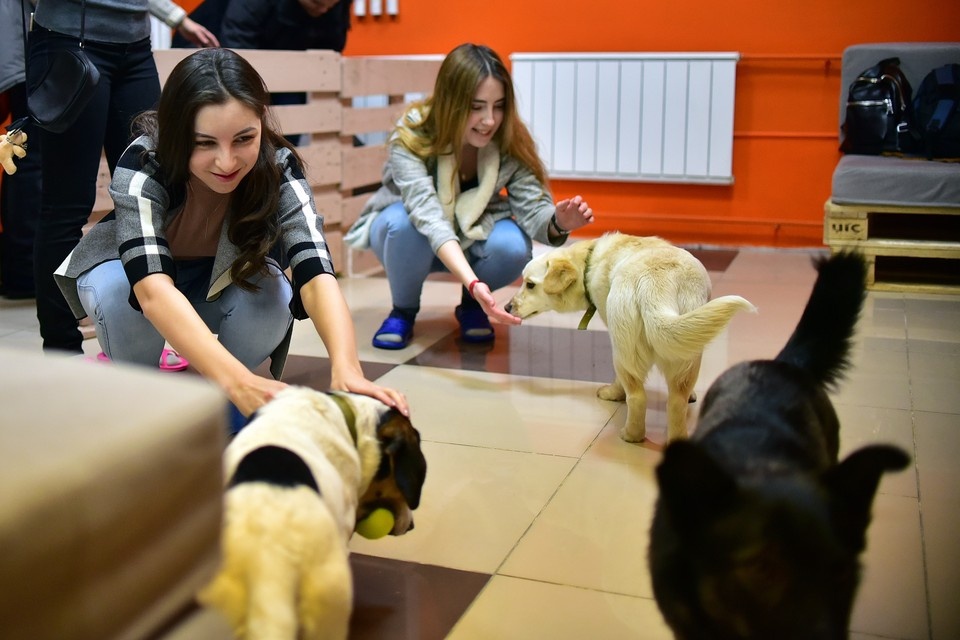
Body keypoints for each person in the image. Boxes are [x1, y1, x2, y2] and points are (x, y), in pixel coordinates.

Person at [54, 47, 407, 419]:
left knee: (273, 294)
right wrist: (239, 380)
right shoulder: (144, 161)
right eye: (204, 143)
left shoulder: (277, 166)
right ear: (176, 132)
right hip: (136, 279)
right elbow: (152, 290)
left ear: (261, 123)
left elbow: (315, 268)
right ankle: (145, 387)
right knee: (118, 293)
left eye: (244, 139)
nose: (227, 162)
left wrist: (347, 368)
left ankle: (223, 398)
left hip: (214, 279)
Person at [344, 43, 595, 350]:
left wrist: (558, 221)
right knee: (401, 223)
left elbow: (533, 210)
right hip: (411, 237)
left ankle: (472, 306)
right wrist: (473, 281)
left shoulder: (508, 139)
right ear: (450, 103)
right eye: (477, 107)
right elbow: (428, 215)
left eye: (498, 105)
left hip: (475, 234)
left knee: (513, 244)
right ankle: (403, 310)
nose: (490, 119)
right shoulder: (412, 134)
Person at [28, 0, 218, 356]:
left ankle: (160, 331)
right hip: (68, 39)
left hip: (135, 47)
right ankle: (61, 347)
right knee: (67, 205)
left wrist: (176, 18)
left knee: (156, 191)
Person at [0, 0, 39, 300]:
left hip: (21, 48)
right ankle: (23, 272)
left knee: (25, 158)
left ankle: (20, 272)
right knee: (28, 158)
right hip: (25, 49)